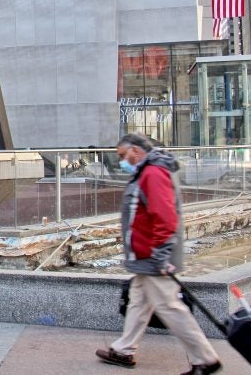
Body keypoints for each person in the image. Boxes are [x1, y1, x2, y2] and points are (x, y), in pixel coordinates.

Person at [95, 133, 222, 375]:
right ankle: (123, 350)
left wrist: (161, 253)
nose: (122, 161)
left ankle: (205, 358)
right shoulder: (147, 171)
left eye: (123, 156)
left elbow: (164, 215)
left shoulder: (153, 174)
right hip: (146, 256)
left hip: (153, 256)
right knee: (138, 300)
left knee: (169, 306)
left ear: (136, 151)